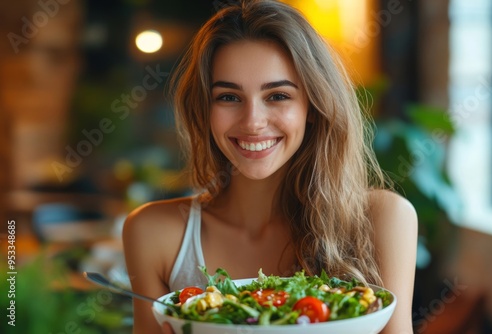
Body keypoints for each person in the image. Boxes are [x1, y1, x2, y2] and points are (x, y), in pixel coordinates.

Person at [122, 0, 418, 333]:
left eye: (277, 95)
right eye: (229, 97)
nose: (253, 122)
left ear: (313, 105)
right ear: (204, 110)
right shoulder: (153, 233)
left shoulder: (383, 220)